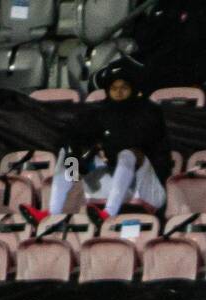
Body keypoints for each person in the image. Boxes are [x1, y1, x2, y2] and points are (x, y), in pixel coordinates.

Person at [29, 62, 172, 223]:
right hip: (108, 183)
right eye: (114, 88)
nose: (118, 92)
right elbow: (74, 135)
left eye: (124, 87)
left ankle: (109, 213)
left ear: (133, 88)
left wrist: (106, 147)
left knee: (128, 154)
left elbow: (144, 142)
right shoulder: (99, 112)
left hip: (147, 187)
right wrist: (78, 155)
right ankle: (52, 212)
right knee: (68, 153)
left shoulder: (148, 111)